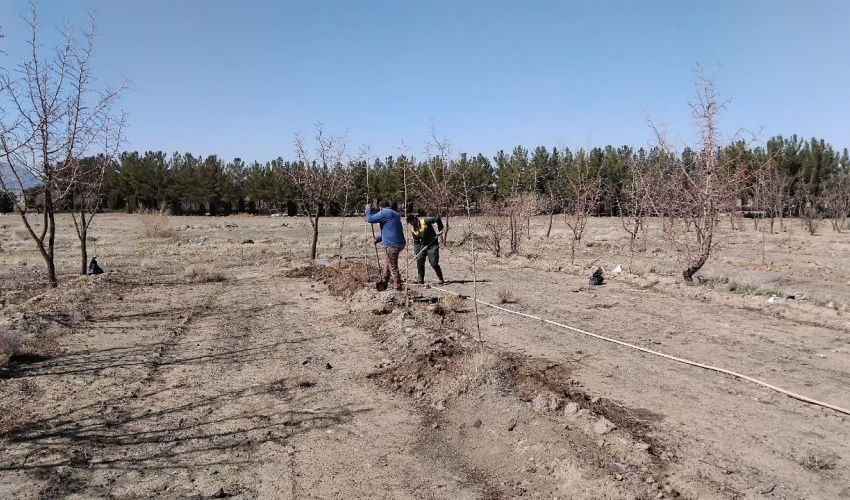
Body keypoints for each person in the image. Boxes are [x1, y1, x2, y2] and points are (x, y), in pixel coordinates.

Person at [365, 201, 406, 290]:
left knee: (392, 266)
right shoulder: (395, 213)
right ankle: (384, 283)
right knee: (387, 263)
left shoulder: (385, 212)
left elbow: (369, 219)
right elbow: (390, 229)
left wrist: (368, 210)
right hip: (400, 243)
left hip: (393, 244)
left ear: (380, 207)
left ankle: (397, 288)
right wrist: (378, 239)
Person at [407, 213, 445, 285]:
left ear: (415, 219)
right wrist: (416, 253)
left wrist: (440, 229)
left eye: (412, 222)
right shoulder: (413, 230)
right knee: (419, 260)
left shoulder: (425, 221)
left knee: (434, 263)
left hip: (432, 244)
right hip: (423, 245)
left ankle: (440, 278)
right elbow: (416, 242)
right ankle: (420, 278)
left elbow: (436, 218)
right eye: (410, 223)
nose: (411, 224)